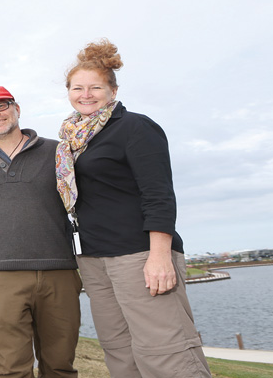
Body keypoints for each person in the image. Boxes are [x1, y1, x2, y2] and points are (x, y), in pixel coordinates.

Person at [55, 39, 210, 377]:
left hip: (138, 255)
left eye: (96, 87)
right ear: (68, 91)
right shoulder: (72, 139)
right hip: (94, 258)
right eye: (77, 87)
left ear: (113, 90)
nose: (86, 94)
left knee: (164, 350)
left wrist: (159, 256)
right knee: (119, 352)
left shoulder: (134, 127)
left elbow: (159, 195)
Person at [0, 86, 81, 378]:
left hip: (59, 271)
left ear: (17, 108)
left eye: (0, 106)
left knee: (60, 366)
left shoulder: (57, 150)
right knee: (11, 368)